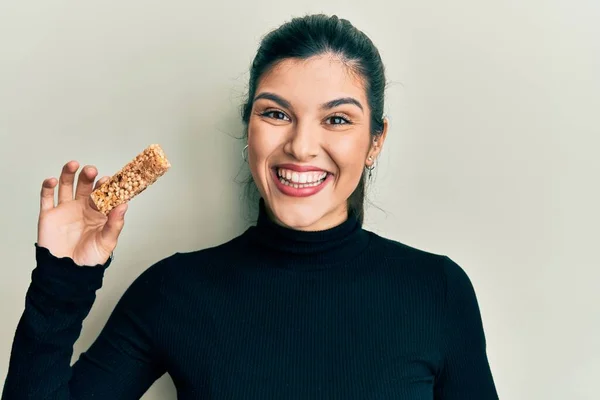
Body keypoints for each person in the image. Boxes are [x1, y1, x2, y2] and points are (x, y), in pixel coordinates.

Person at [2, 14, 498, 400]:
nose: (302, 147)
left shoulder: (438, 292)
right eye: (276, 114)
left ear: (375, 141)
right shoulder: (174, 292)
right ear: (249, 129)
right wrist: (62, 279)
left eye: (338, 120)